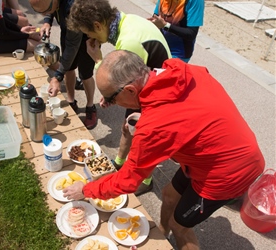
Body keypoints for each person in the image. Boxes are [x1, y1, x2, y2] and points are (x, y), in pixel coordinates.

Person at [63, 50, 265, 249]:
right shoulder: (183, 70)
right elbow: (186, 114)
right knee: (169, 195)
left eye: (111, 99)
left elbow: (128, 181)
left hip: (231, 172)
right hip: (218, 152)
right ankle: (162, 231)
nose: (111, 104)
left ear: (131, 90)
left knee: (181, 227)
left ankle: (173, 231)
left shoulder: (154, 127)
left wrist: (86, 189)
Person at [67, 0, 171, 195]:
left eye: (88, 33)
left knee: (144, 139)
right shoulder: (127, 21)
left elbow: (118, 85)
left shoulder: (129, 42)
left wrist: (97, 59)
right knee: (127, 127)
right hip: (145, 84)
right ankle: (119, 163)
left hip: (157, 94)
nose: (88, 37)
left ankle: (145, 180)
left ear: (97, 25)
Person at [29, 0, 97, 129]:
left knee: (85, 74)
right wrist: (47, 21)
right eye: (41, 12)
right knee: (69, 68)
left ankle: (90, 107)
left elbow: (72, 47)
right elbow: (49, 9)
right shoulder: (53, 3)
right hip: (69, 31)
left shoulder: (73, 8)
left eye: (46, 11)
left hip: (89, 35)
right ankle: (71, 101)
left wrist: (57, 77)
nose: (44, 13)